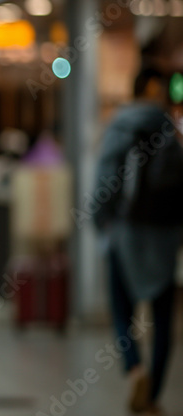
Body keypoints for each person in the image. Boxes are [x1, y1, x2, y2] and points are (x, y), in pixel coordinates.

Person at [94, 67, 183, 416]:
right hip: (164, 235)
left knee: (121, 309)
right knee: (163, 320)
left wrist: (104, 225)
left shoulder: (119, 125)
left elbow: (104, 180)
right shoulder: (170, 129)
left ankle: (135, 367)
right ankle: (153, 395)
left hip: (125, 231)